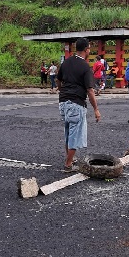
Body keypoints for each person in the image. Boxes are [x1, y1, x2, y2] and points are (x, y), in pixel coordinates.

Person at [56, 37, 101, 173]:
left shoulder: (66, 62)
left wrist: (62, 90)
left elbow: (58, 80)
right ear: (87, 50)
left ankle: (71, 158)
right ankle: (68, 164)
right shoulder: (85, 67)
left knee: (68, 132)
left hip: (63, 102)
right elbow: (90, 90)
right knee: (75, 135)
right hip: (77, 103)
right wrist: (96, 109)